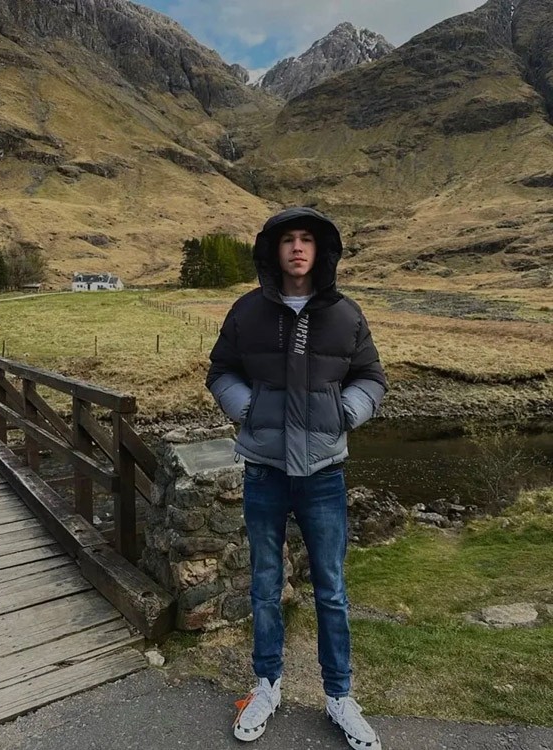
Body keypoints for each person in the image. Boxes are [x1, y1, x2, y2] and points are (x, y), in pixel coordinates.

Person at [206, 207, 387, 749]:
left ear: (322, 250)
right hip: (264, 469)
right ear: (274, 250)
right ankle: (266, 686)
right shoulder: (247, 312)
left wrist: (346, 413)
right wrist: (248, 409)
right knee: (265, 585)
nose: (299, 247)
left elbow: (371, 376)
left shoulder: (345, 315)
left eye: (308, 239)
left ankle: (340, 696)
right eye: (289, 239)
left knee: (331, 589)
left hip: (324, 474)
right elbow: (221, 370)